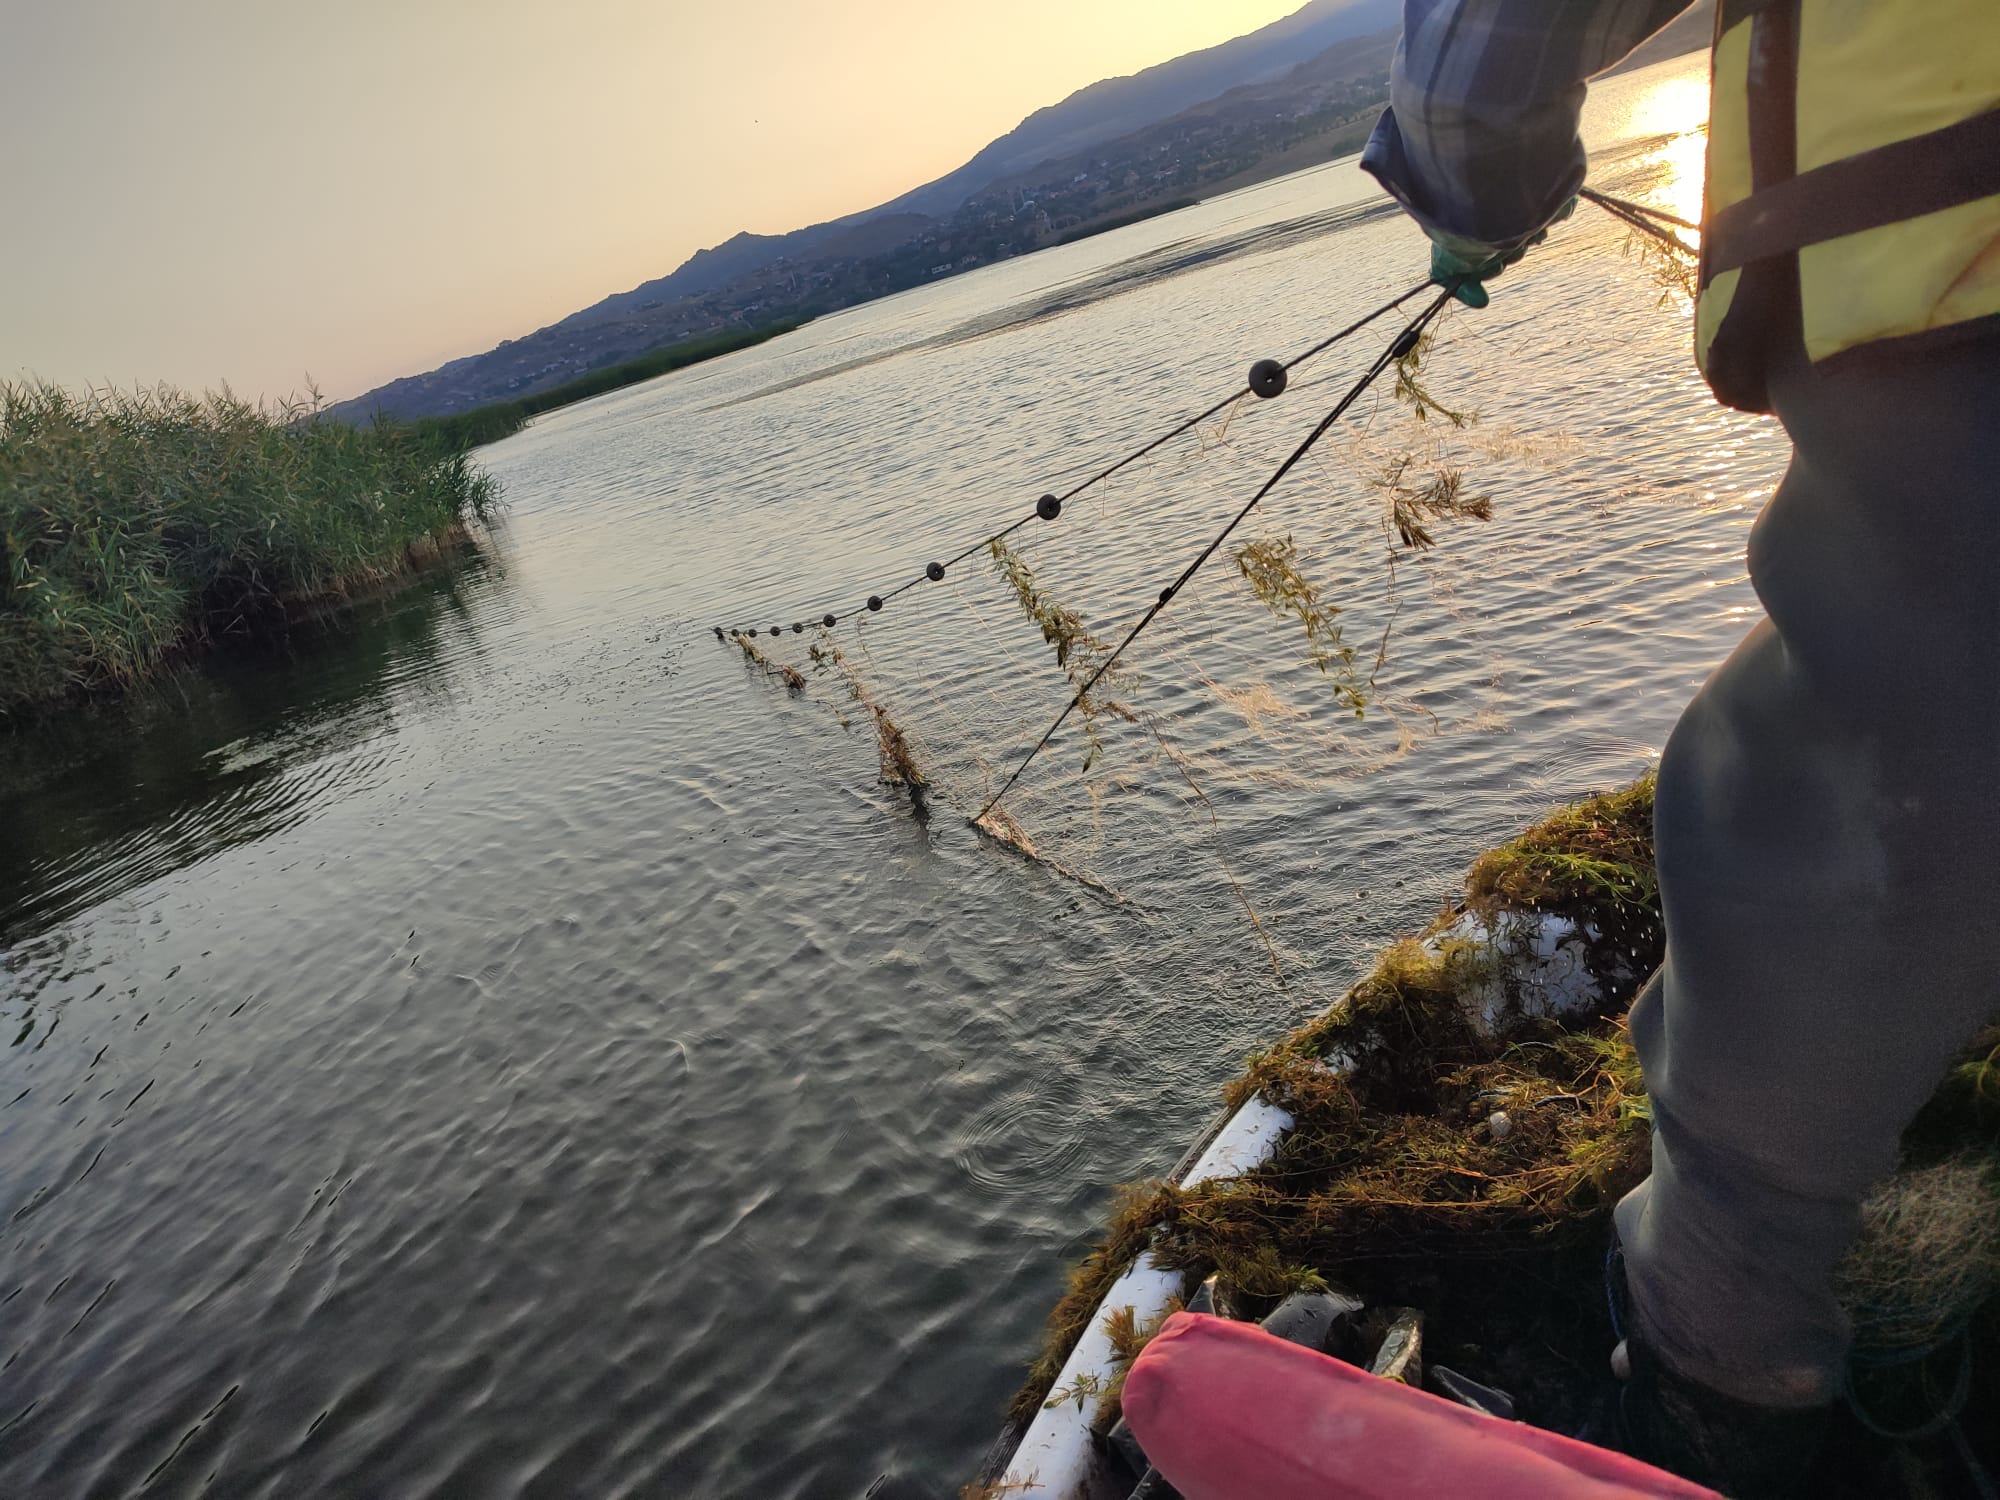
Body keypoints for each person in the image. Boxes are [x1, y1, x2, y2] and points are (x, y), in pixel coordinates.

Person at [1359, 1, 2000, 1493]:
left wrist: (1474, 185)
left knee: (1808, 872)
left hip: (1946, 303)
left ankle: (1711, 1410)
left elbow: (1480, 48)